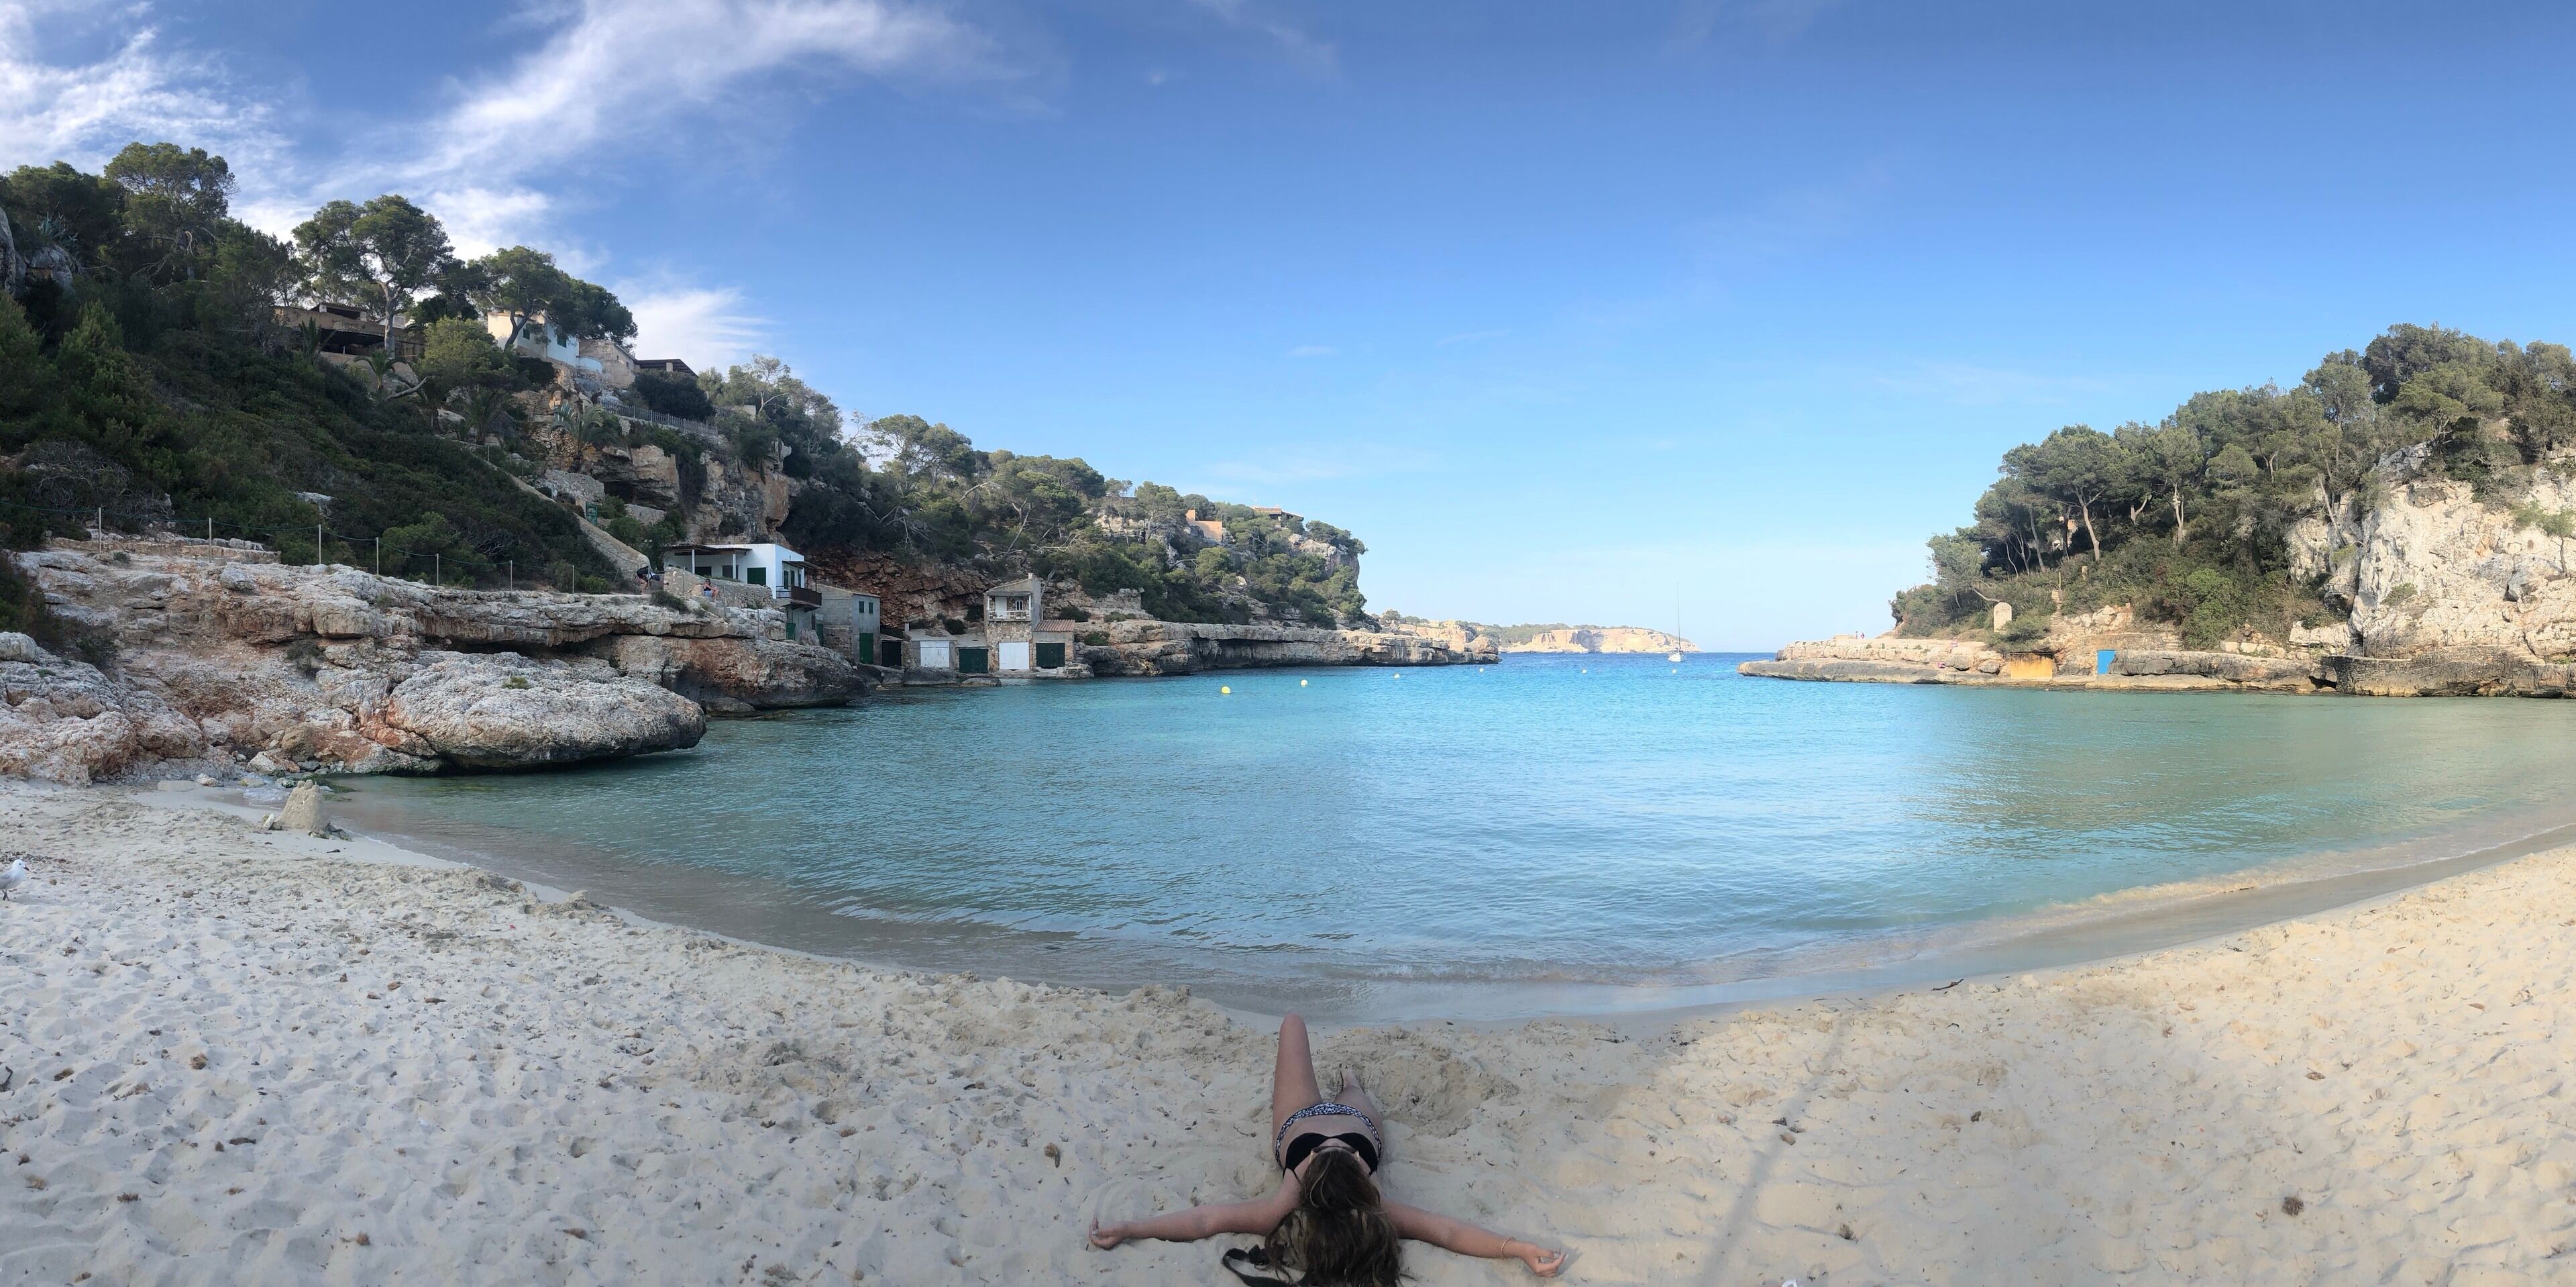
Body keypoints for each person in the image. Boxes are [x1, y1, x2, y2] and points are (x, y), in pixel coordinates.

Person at [1088, 1014, 1566, 1284]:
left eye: (1331, 1156)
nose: (1341, 1153)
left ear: (1306, 1176)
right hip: (1361, 1123)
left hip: (1298, 1119)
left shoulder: (1286, 1199)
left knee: (1293, 1024)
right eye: (1353, 1160)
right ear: (1362, 1174)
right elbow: (1448, 1231)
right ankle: (1351, 1082)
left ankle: (1349, 1082)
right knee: (1353, 1088)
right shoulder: (1376, 1204)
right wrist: (1516, 1248)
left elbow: (1205, 1221)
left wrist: (1131, 1226)